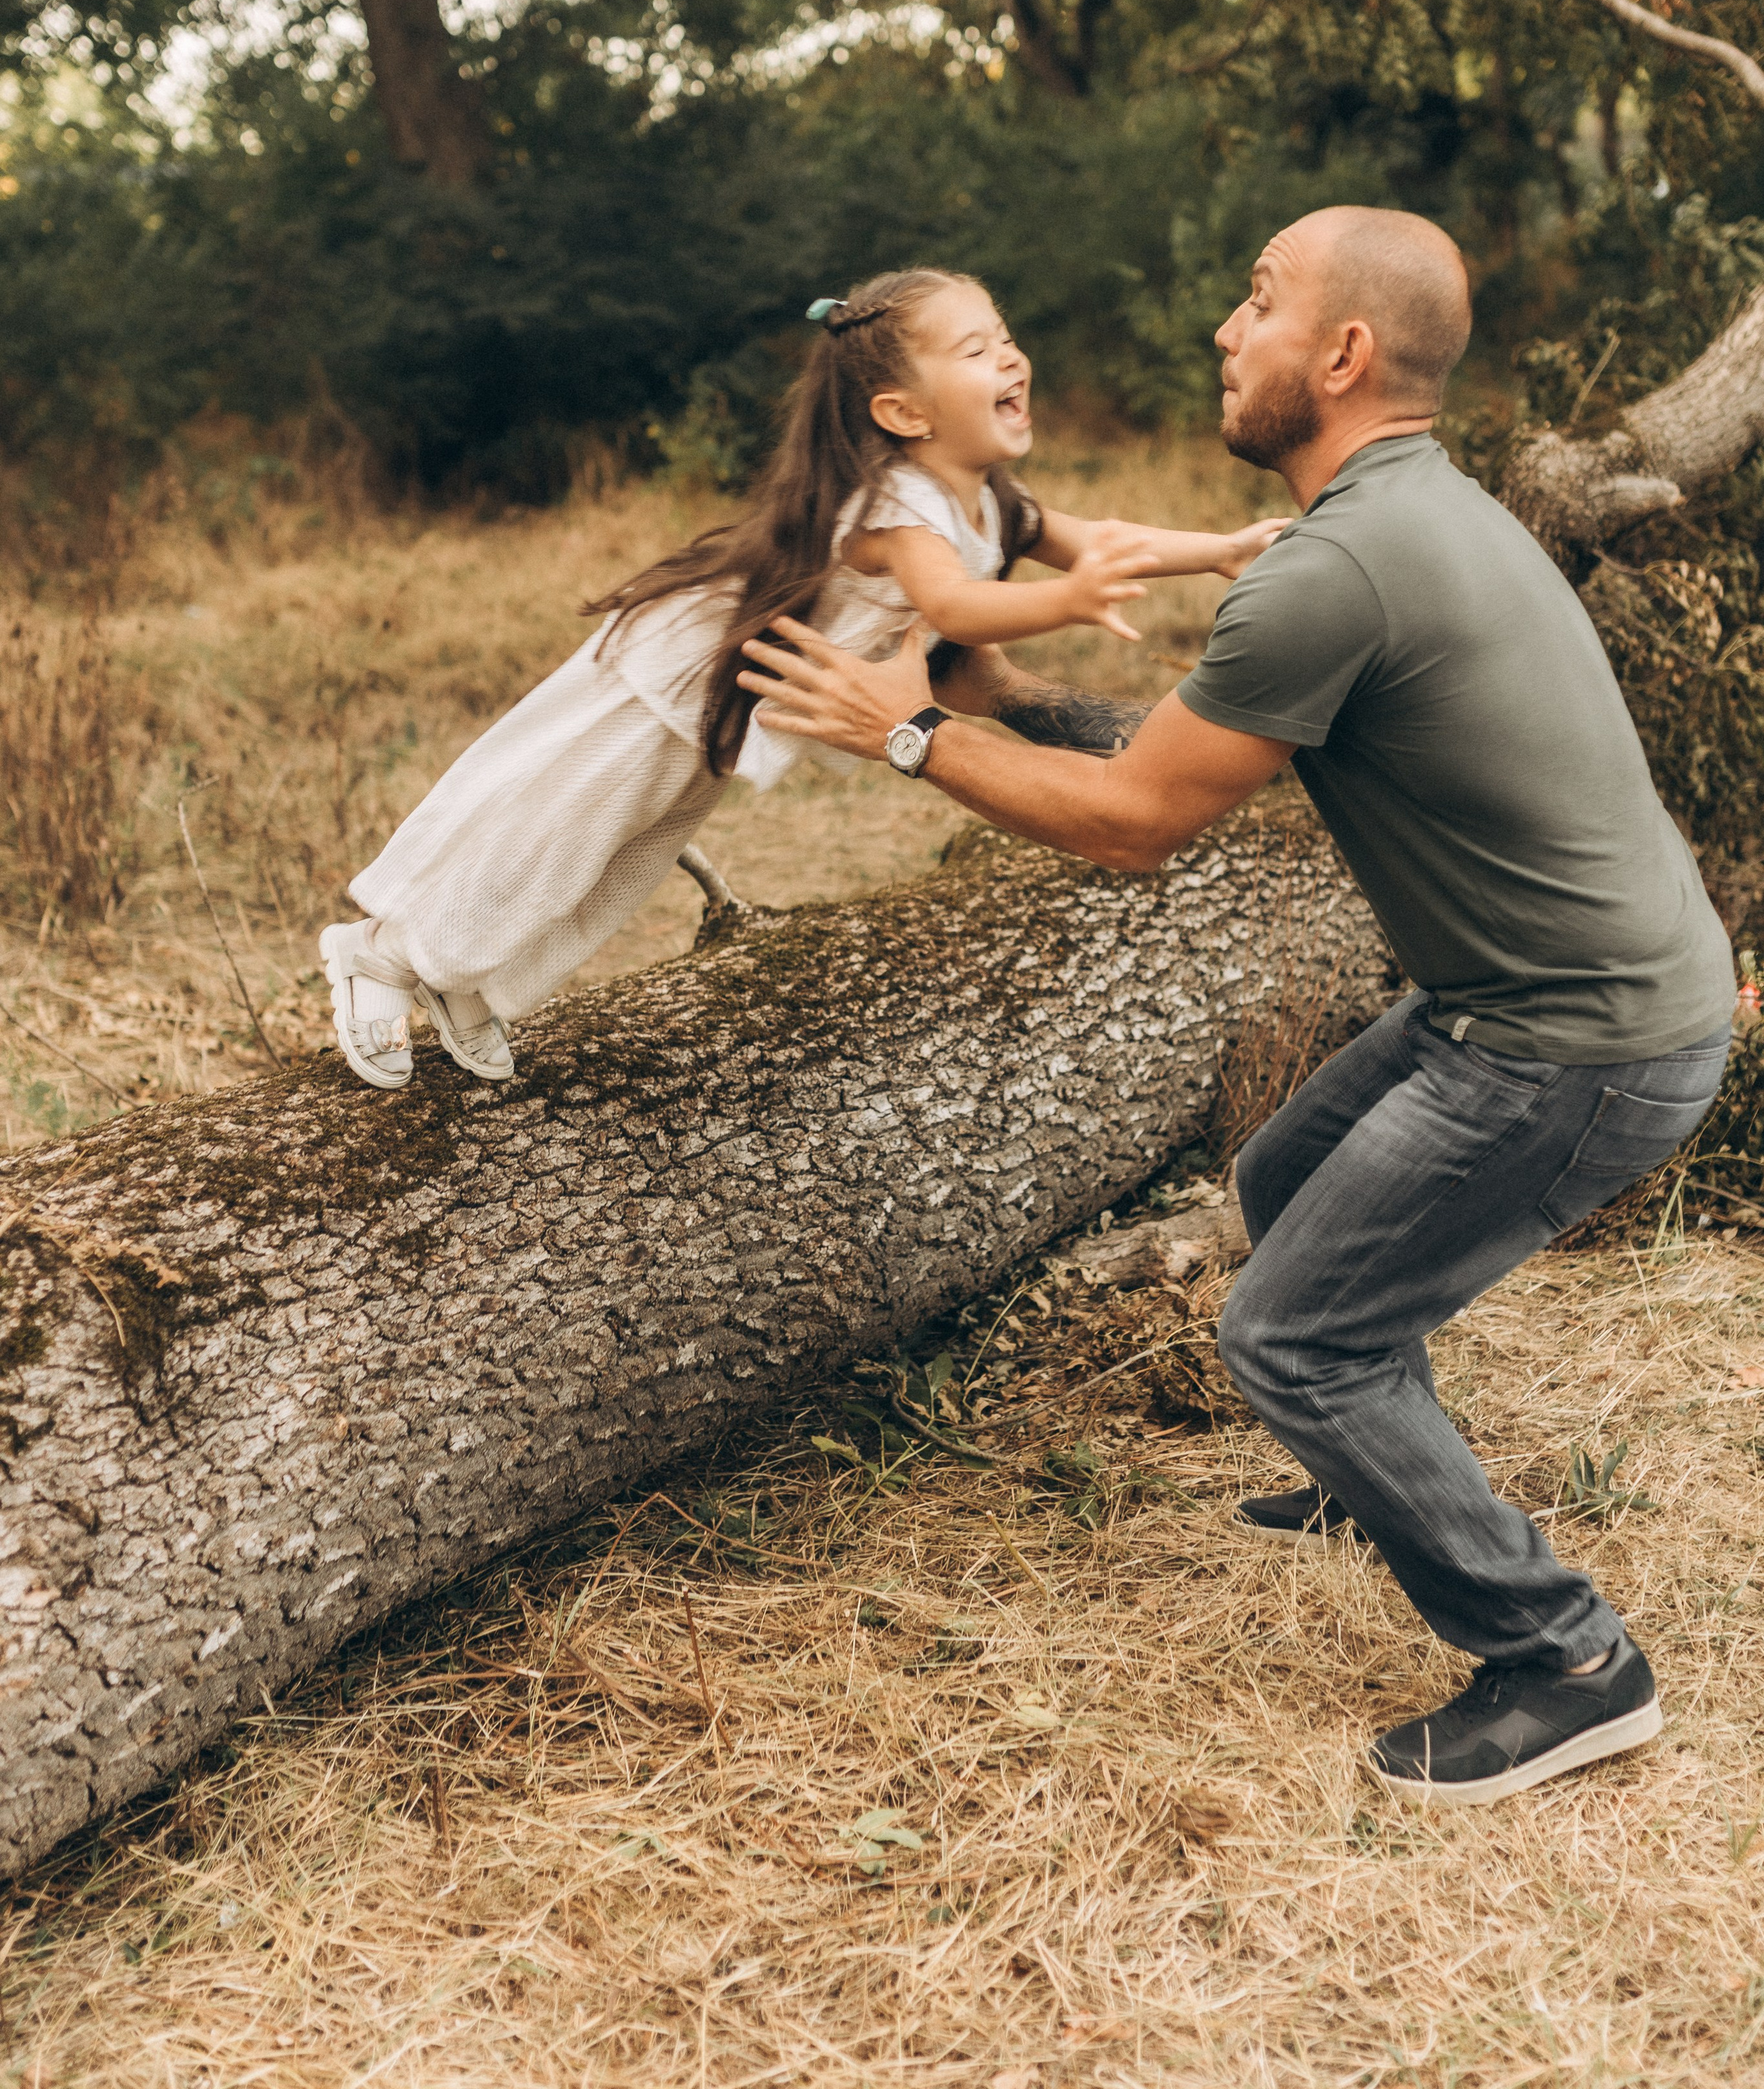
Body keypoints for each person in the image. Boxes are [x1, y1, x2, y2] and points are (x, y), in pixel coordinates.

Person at [737, 205, 1735, 1808]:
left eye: (1256, 302)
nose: (1223, 327)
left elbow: (1134, 823)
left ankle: (1563, 1664)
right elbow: (1192, 738)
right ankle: (1378, 1469)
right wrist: (1001, 699)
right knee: (1278, 1186)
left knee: (1289, 1340)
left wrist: (905, 734)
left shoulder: (1336, 565)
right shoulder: (1400, 518)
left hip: (1578, 1043)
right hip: (1548, 995)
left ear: (1338, 355)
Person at [319, 265, 1286, 1092]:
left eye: (1006, 340)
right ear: (902, 413)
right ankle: (380, 955)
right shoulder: (902, 502)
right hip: (680, 671)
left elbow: (1107, 540)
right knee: (553, 826)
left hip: (742, 702)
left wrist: (1217, 550)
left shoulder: (990, 493)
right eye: (976, 351)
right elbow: (952, 608)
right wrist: (1069, 600)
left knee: (623, 854)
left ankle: (470, 980)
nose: (1011, 360)